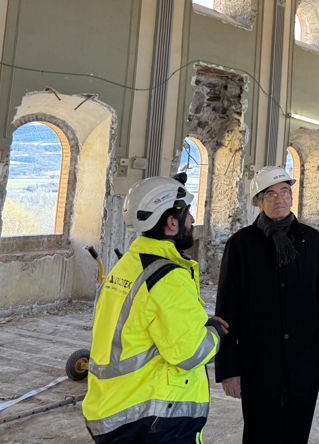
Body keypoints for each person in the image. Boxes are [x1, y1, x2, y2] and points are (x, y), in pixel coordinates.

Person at [83, 174, 226, 443]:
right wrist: (214, 330)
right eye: (188, 215)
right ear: (172, 223)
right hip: (154, 415)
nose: (193, 221)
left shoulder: (129, 264)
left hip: (114, 404)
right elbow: (191, 354)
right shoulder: (167, 277)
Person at [215, 166, 319, 444]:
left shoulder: (310, 239)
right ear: (258, 201)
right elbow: (227, 309)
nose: (279, 198)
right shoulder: (241, 244)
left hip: (304, 360)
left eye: (285, 192)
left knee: (297, 433)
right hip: (259, 362)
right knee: (260, 433)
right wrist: (228, 369)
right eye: (270, 194)